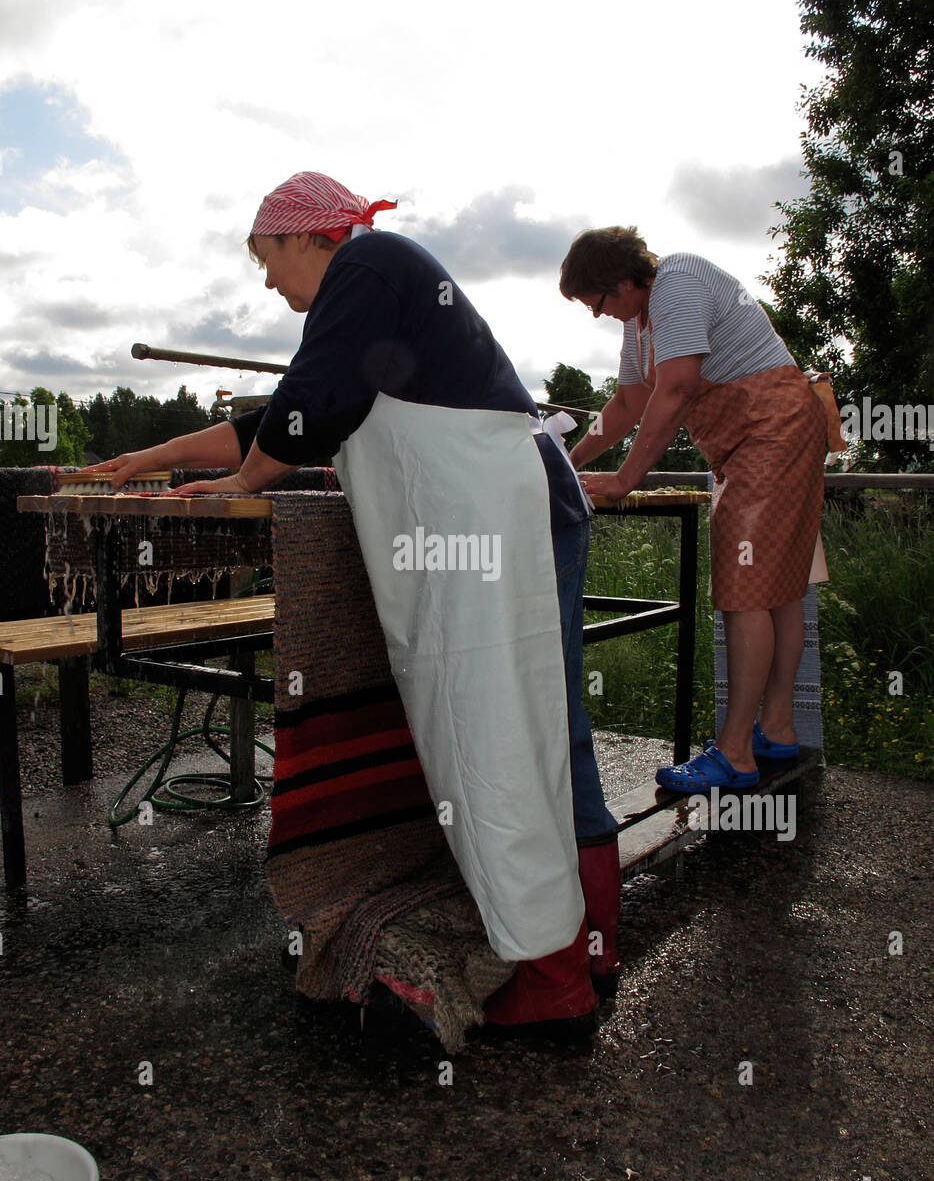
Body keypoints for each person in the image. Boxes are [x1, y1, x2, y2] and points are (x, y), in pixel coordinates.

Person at [102, 171, 622, 1037]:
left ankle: (558, 981)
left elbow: (302, 416)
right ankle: (585, 947)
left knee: (507, 727)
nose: (268, 281)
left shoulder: (370, 262)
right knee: (543, 724)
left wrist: (243, 480)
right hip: (515, 512)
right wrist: (147, 458)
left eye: (266, 258)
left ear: (309, 236)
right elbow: (275, 416)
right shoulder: (370, 302)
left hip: (506, 520)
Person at [561, 226, 827, 791]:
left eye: (597, 302)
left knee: (746, 588)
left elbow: (676, 389)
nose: (596, 315)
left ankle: (735, 755)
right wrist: (564, 458)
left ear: (625, 281)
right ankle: (776, 729)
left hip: (772, 429)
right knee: (777, 588)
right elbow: (630, 400)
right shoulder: (641, 321)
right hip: (753, 438)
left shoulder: (677, 280)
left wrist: (627, 480)